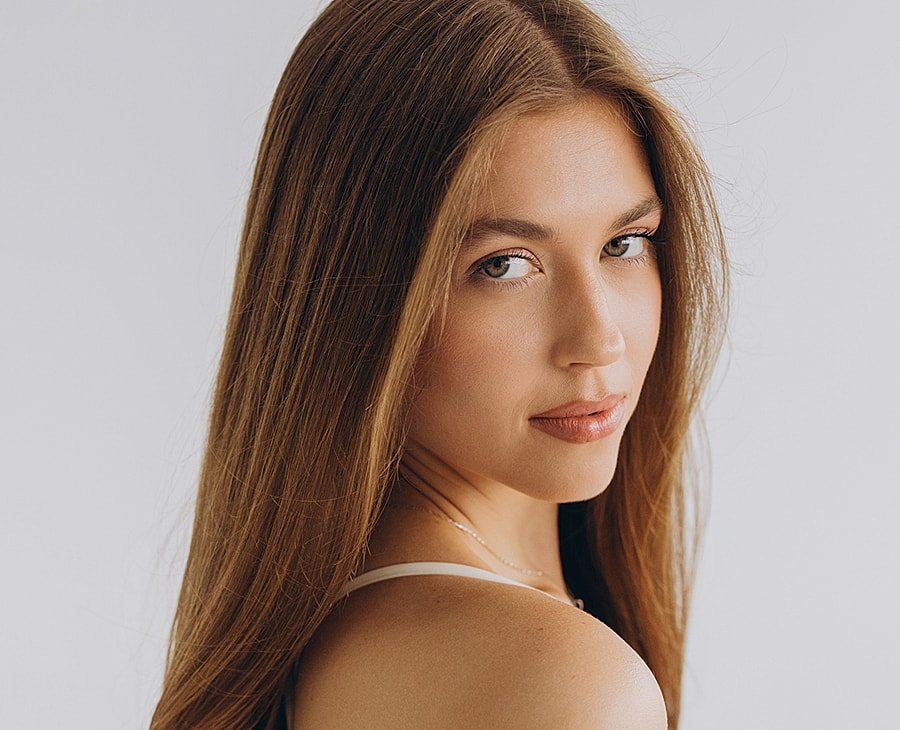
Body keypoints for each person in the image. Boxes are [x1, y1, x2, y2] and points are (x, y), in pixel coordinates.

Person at [151, 0, 728, 727]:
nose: (599, 339)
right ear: (357, 303)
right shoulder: (565, 686)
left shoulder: (331, 640)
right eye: (505, 264)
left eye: (625, 244)